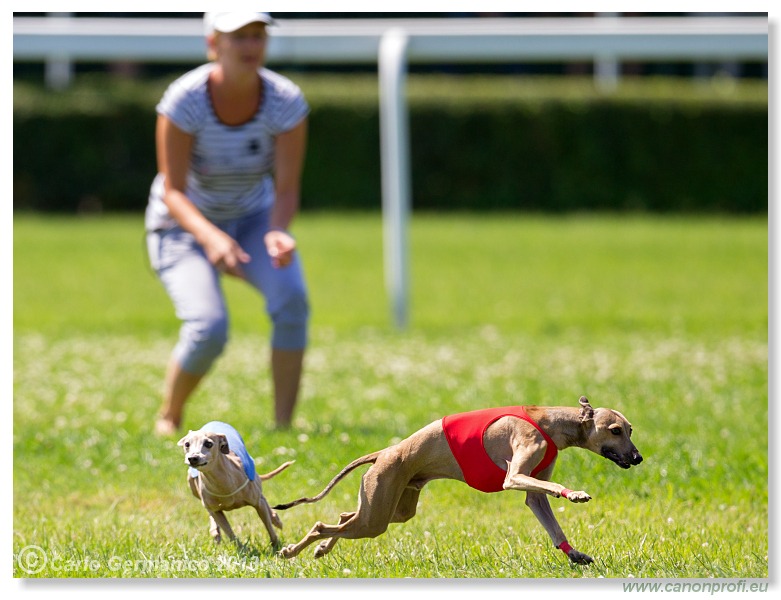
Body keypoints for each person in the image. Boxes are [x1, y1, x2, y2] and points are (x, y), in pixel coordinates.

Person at [145, 12, 309, 434]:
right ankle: (170, 414)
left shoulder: (285, 100)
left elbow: (287, 188)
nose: (251, 46)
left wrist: (277, 230)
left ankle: (284, 426)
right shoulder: (185, 100)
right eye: (239, 37)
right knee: (209, 326)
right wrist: (212, 237)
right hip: (182, 227)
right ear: (213, 44)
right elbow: (173, 191)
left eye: (258, 36)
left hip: (254, 217)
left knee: (292, 301)